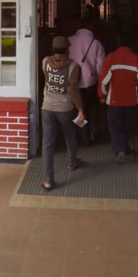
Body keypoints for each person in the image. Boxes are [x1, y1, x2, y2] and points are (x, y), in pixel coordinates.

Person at [40, 35, 86, 190]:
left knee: (47, 144)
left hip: (46, 107)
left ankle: (47, 180)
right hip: (65, 108)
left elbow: (46, 78)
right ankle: (72, 161)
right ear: (67, 49)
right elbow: (73, 90)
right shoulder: (73, 66)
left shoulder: (45, 61)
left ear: (53, 49)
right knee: (69, 134)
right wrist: (80, 108)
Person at [98, 34, 138, 163]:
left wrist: (102, 95)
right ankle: (125, 147)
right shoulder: (136, 59)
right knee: (127, 124)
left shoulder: (111, 58)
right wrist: (133, 84)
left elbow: (104, 80)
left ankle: (120, 150)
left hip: (114, 99)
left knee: (114, 124)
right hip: (131, 99)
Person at [68, 12, 105, 145]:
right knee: (92, 108)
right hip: (90, 82)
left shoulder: (69, 40)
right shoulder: (96, 43)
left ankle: (81, 135)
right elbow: (101, 66)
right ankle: (92, 134)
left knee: (78, 108)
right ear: (91, 28)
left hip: (73, 82)